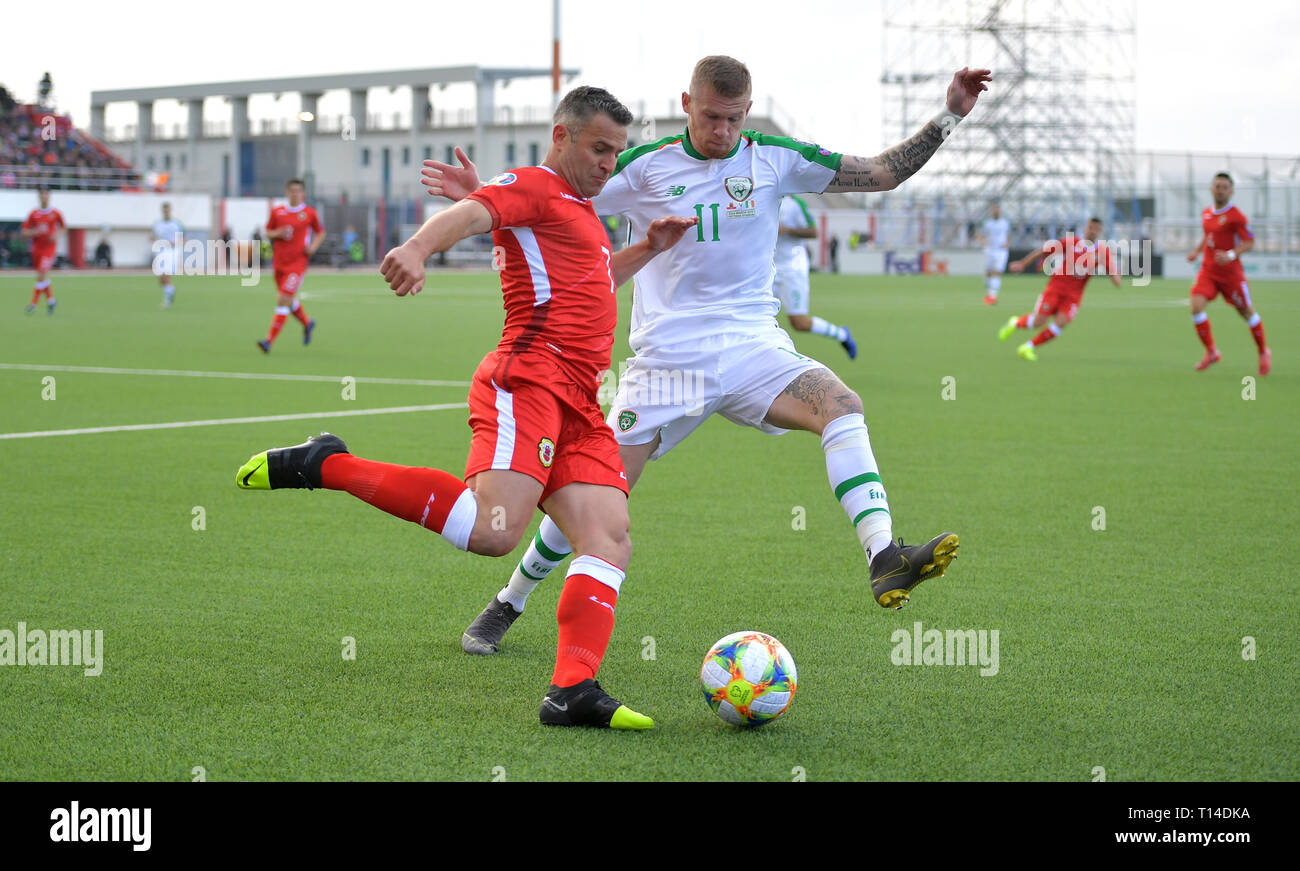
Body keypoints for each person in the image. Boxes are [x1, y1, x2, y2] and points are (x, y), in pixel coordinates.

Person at [424, 56, 988, 655]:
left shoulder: (775, 158)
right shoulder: (643, 167)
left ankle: (885, 555)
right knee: (597, 491)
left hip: (754, 350)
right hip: (666, 363)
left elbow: (881, 174)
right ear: (687, 104)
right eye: (711, 116)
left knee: (842, 406)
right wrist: (486, 196)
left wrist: (950, 113)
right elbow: (557, 193)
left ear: (748, 110)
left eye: (734, 119)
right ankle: (509, 601)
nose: (722, 131)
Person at [235, 86, 697, 729]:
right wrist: (419, 248)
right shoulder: (536, 184)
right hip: (529, 383)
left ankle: (571, 690)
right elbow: (480, 211)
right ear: (561, 136)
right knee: (495, 532)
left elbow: (590, 281)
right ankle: (327, 464)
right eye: (598, 148)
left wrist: (648, 248)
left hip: (583, 403)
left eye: (617, 153)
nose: (608, 164)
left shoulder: (581, 211)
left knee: (609, 537)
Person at [998, 217, 1120, 360]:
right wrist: (1023, 264)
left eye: (1096, 229)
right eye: (1090, 228)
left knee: (1060, 324)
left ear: (1100, 232)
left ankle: (1028, 347)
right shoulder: (1072, 242)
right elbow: (1043, 251)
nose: (1092, 231)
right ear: (1086, 228)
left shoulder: (1102, 251)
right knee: (1039, 322)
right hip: (1055, 288)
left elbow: (1116, 280)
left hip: (1074, 296)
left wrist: (1109, 269)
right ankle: (1015, 323)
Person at [1186, 173, 1270, 375]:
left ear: (1231, 191)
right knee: (1196, 307)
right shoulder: (1206, 213)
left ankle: (1263, 352)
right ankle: (1212, 352)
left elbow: (1249, 242)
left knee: (1246, 313)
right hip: (1208, 271)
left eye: (1224, 187)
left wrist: (1232, 254)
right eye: (1217, 186)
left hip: (1231, 275)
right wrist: (1197, 252)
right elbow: (1208, 235)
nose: (1220, 190)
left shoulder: (1236, 216)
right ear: (1211, 189)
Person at [774, 194, 856, 358]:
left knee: (799, 322)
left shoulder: (794, 203)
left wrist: (787, 230)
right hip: (768, 268)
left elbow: (813, 232)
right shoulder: (760, 198)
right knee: (761, 318)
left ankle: (842, 335)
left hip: (792, 267)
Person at [258, 179, 322, 352]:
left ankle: (268, 341)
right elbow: (267, 232)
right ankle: (308, 324)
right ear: (287, 192)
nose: (295, 194)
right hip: (279, 264)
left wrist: (313, 247)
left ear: (303, 194)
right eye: (292, 190)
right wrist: (277, 233)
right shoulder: (277, 212)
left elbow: (320, 232)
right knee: (288, 300)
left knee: (283, 300)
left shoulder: (309, 213)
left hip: (297, 264)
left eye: (298, 190)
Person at [21, 188, 64, 314]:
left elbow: (63, 227)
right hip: (36, 249)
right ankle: (51, 301)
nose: (44, 197)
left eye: (46, 195)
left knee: (40, 275)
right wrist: (34, 232)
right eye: (42, 195)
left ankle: (33, 305)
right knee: (42, 277)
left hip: (49, 249)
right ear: (39, 197)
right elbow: (24, 232)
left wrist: (57, 235)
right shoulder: (33, 214)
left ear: (49, 197)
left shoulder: (55, 213)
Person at [152, 202, 183, 308]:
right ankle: (171, 290)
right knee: (161, 279)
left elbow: (183, 238)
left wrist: (175, 243)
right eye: (164, 210)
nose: (166, 211)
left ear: (170, 210)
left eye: (167, 209)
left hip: (172, 252)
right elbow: (154, 236)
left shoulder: (176, 224)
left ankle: (167, 301)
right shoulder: (157, 224)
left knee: (166, 274)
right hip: (160, 251)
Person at [978, 202, 1010, 305]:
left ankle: (992, 296)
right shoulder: (987, 222)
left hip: (1001, 251)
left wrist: (1007, 243)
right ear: (992, 211)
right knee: (988, 272)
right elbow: (979, 233)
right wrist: (982, 242)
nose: (996, 211)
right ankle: (989, 293)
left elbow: (1009, 234)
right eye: (994, 209)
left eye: (997, 209)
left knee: (997, 272)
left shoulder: (1005, 223)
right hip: (990, 250)